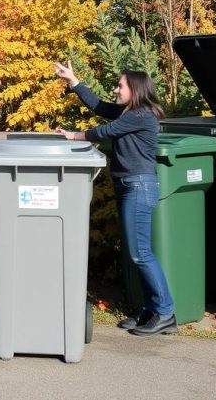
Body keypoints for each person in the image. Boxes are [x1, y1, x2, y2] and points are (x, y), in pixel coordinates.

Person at [53, 61, 176, 336]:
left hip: (139, 187)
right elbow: (98, 105)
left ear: (135, 89)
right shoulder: (128, 112)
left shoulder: (142, 115)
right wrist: (73, 79)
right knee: (137, 253)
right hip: (128, 186)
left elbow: (104, 132)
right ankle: (151, 308)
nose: (116, 89)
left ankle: (166, 312)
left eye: (120, 85)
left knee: (141, 253)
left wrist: (75, 135)